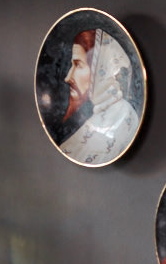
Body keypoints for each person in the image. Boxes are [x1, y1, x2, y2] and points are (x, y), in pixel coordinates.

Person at [54, 28, 139, 167]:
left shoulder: (123, 118)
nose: (68, 77)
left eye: (78, 65)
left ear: (100, 70)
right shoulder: (94, 115)